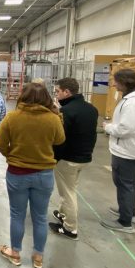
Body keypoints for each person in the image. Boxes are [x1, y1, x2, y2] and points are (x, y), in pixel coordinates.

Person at [0, 83, 65, 268]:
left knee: (17, 215)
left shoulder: (12, 117)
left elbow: (0, 143)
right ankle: (38, 257)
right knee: (40, 217)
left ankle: (15, 253)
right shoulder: (53, 119)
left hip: (18, 173)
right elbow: (60, 140)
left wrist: (11, 156)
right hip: (44, 174)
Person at [101, 69, 135, 234]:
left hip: (126, 149)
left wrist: (108, 127)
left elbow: (126, 128)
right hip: (130, 148)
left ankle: (125, 222)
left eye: (116, 81)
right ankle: (129, 212)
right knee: (129, 182)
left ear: (126, 82)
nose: (114, 84)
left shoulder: (134, 103)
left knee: (124, 183)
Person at [49, 78, 98, 240]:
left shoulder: (67, 112)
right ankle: (63, 214)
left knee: (67, 193)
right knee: (71, 186)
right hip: (85, 156)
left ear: (67, 92)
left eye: (58, 92)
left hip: (69, 158)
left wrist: (54, 158)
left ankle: (70, 228)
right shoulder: (91, 108)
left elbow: (61, 139)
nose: (56, 95)